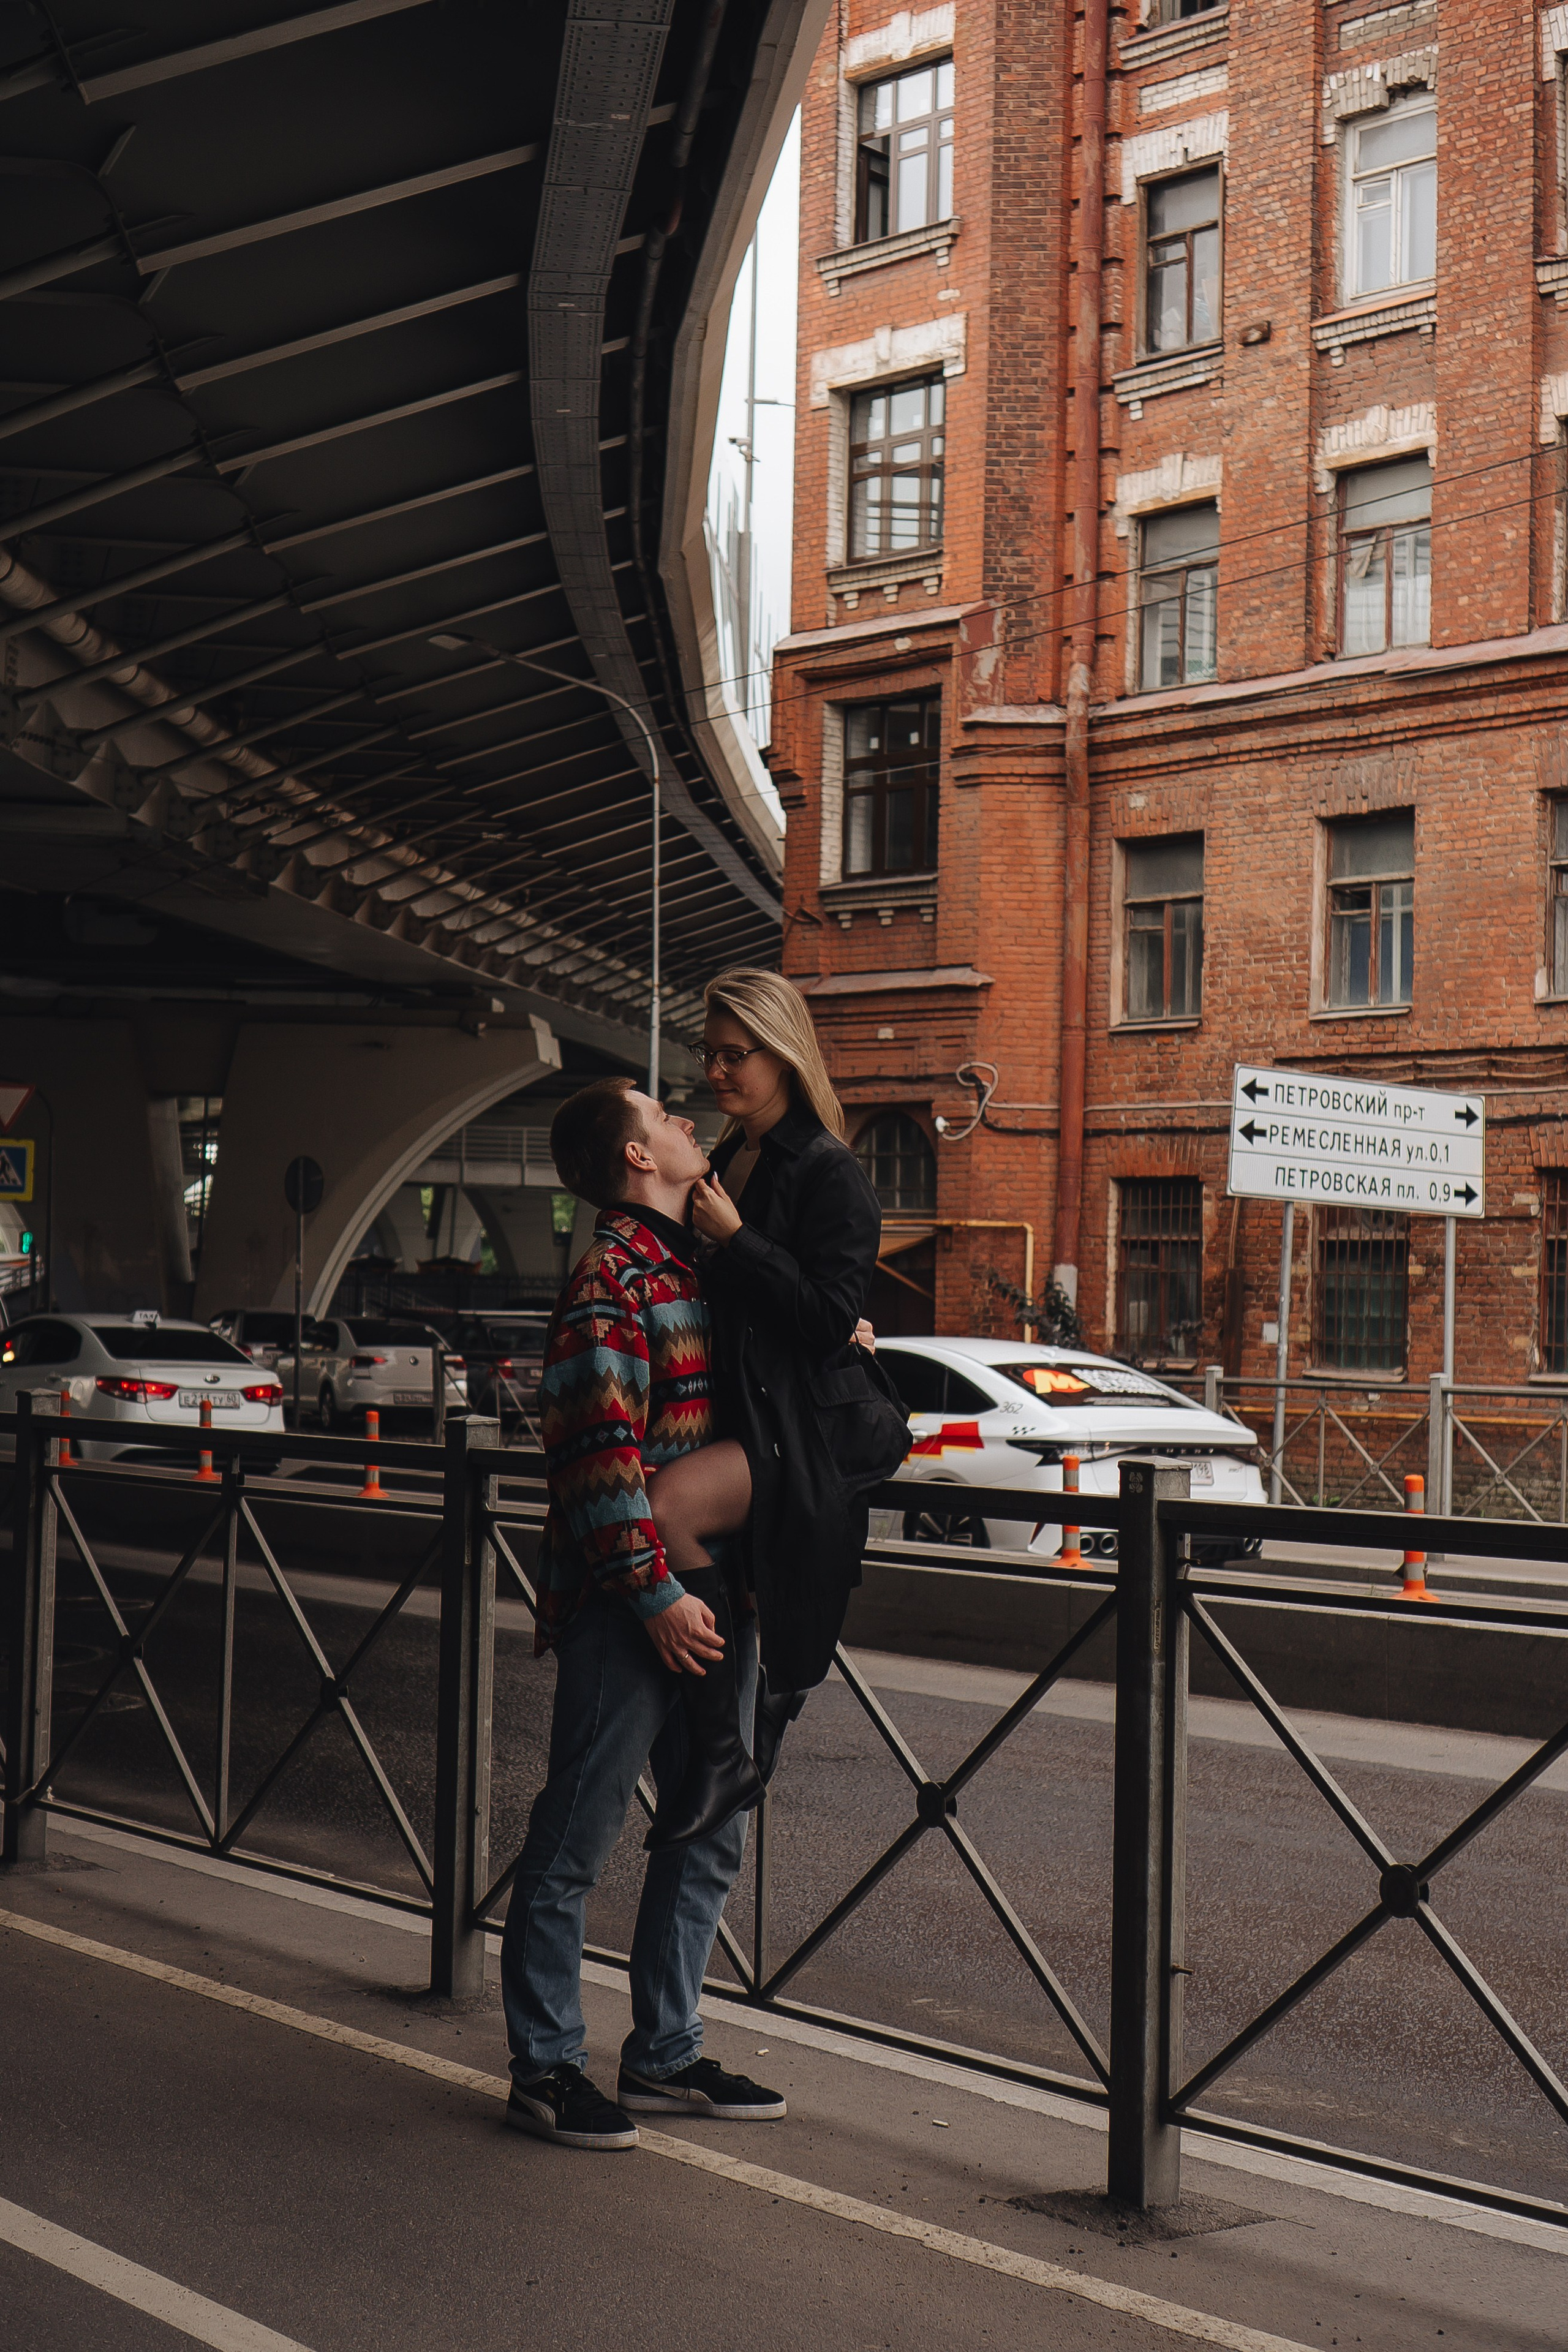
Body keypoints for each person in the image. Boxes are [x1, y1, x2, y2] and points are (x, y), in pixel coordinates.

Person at [500, 1075, 785, 2151]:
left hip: (712, 1587)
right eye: (663, 1114)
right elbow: (592, 1455)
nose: (684, 1120)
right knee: (578, 1831)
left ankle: (665, 2053)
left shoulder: (692, 1266)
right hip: (640, 1600)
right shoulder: (610, 1276)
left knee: (707, 1825)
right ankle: (546, 2065)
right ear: (635, 1158)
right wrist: (653, 1593)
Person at [647, 967, 910, 1793]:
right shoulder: (732, 1154)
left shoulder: (827, 1167)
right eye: (710, 1053)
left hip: (796, 1430)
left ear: (784, 1053)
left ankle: (725, 1746)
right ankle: (727, 1744)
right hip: (742, 1416)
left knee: (670, 1509)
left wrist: (736, 1238)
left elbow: (831, 1317)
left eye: (737, 1055)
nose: (717, 1071)